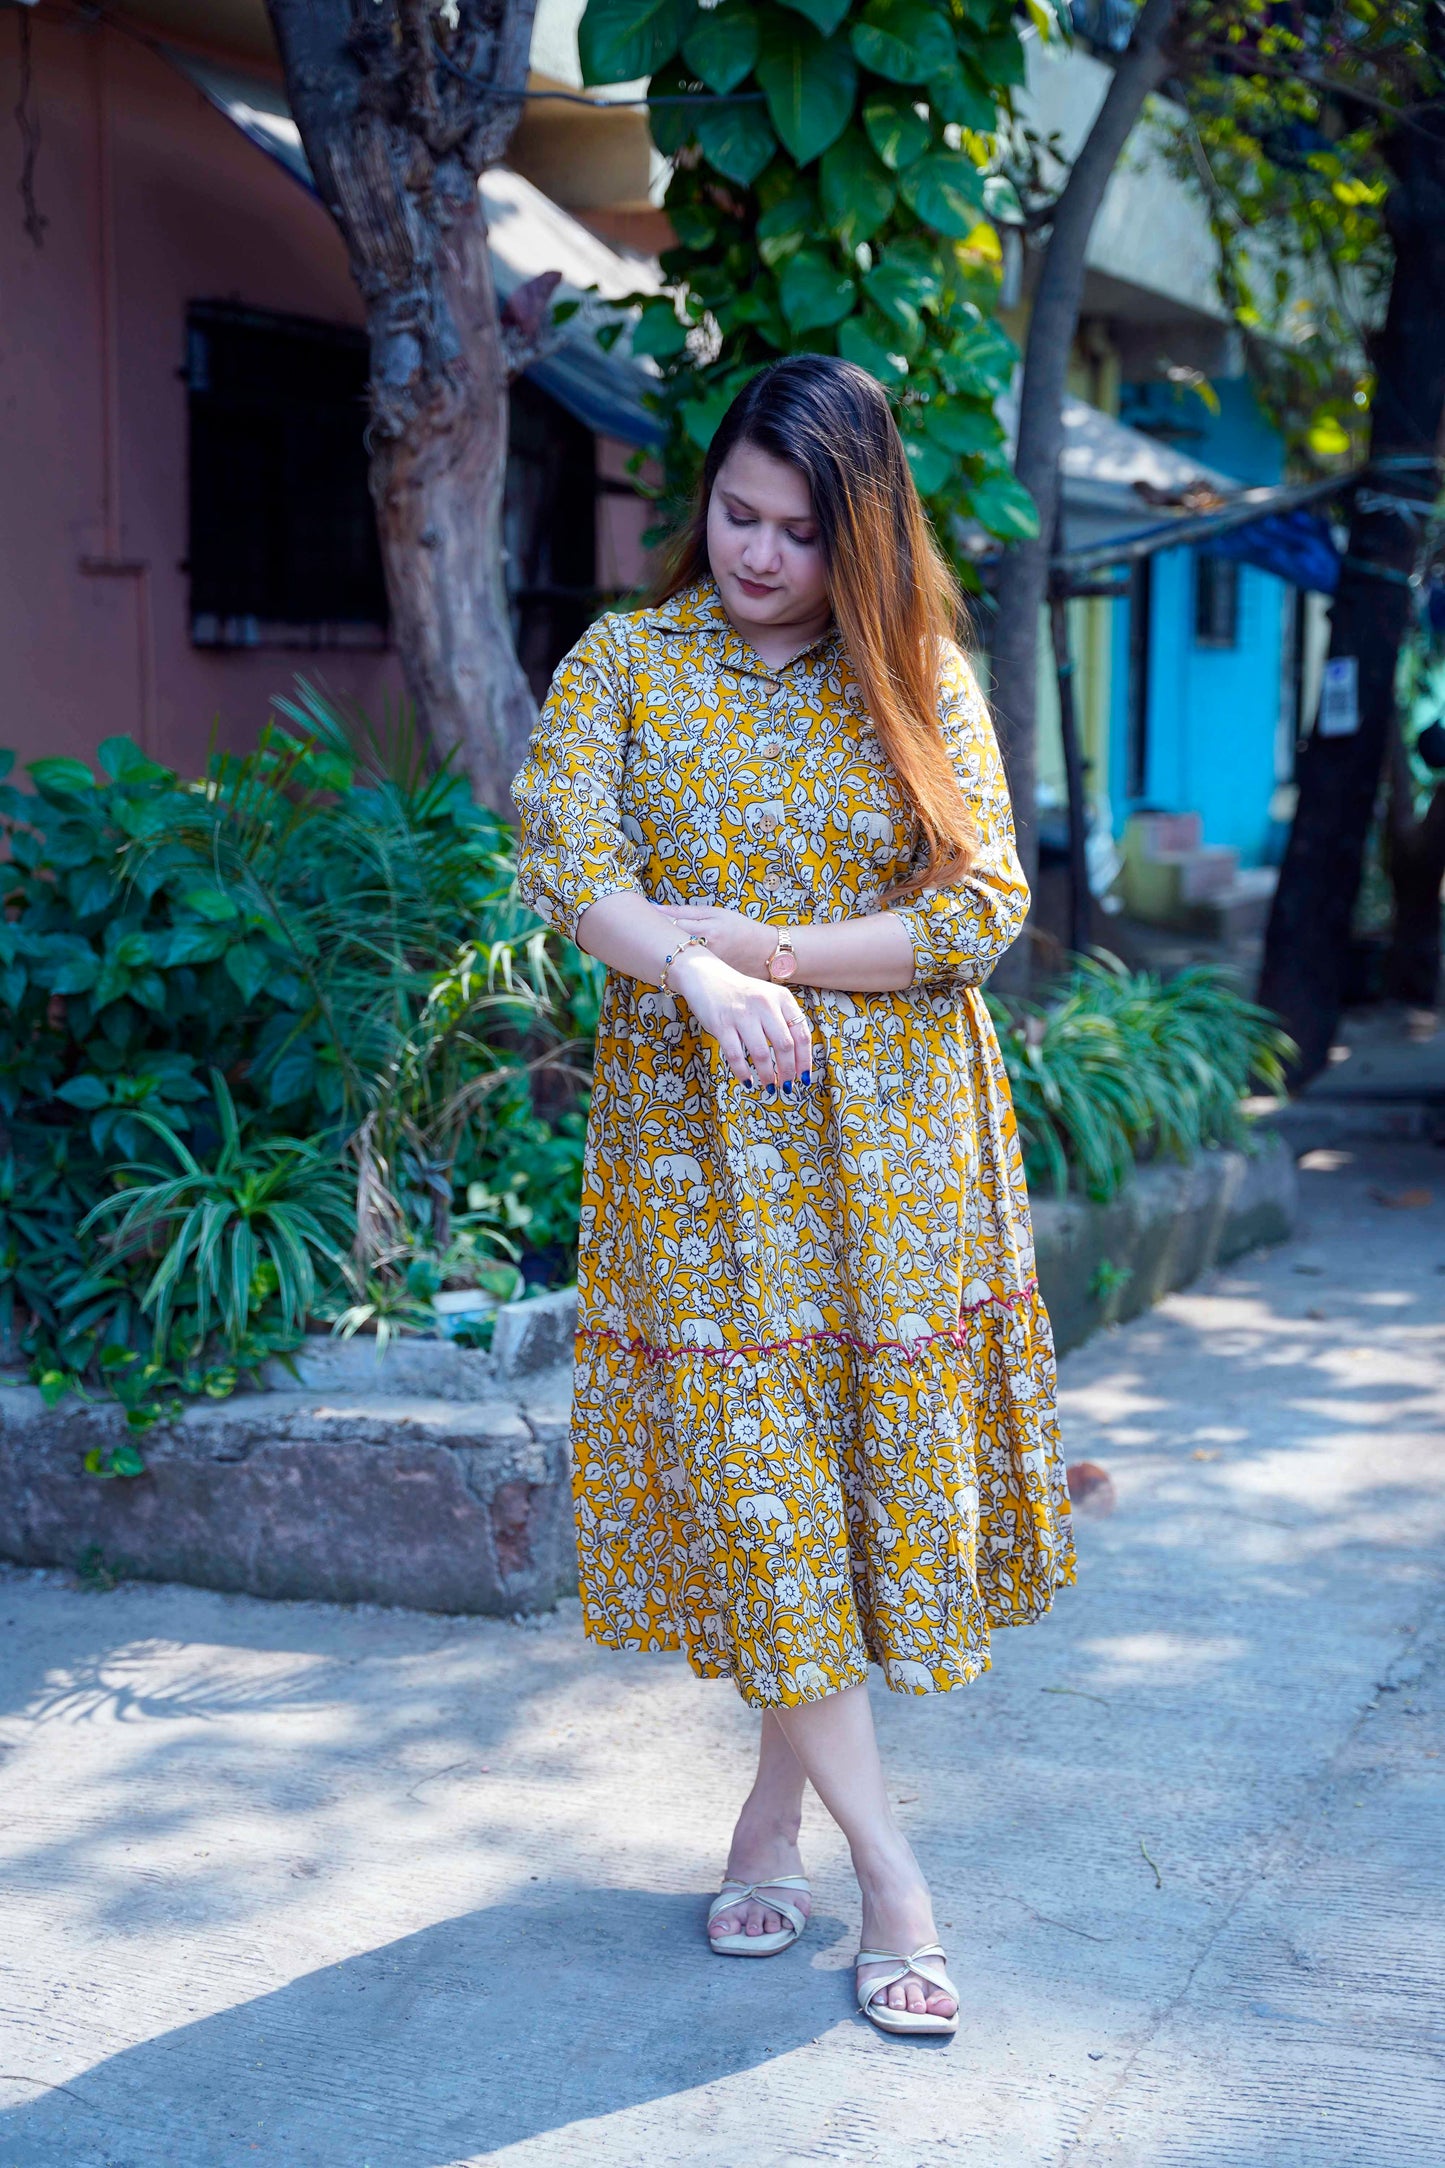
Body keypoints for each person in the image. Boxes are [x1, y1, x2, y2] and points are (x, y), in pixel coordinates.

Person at [512, 354, 1074, 2039]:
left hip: (896, 1155)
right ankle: (893, 1875)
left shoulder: (915, 672)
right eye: (733, 515)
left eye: (796, 532)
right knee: (763, 1502)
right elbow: (562, 861)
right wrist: (690, 979)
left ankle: (769, 1826)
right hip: (699, 1156)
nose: (755, 555)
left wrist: (751, 950)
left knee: (825, 1498)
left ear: (860, 535)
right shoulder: (633, 659)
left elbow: (976, 915)